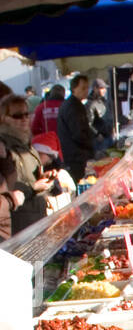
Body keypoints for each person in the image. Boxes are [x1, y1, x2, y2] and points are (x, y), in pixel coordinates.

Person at [0, 93, 57, 231]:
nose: (24, 119)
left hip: (36, 217)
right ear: (3, 118)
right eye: (17, 116)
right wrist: (33, 187)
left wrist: (44, 179)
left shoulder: (26, 144)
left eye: (26, 114)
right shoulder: (3, 148)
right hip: (19, 224)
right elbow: (8, 189)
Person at [56, 74, 94, 184]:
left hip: (74, 154)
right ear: (74, 89)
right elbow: (78, 133)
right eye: (83, 88)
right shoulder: (73, 106)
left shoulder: (73, 104)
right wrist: (91, 147)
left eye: (87, 87)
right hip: (76, 156)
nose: (86, 90)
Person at [86, 78, 115, 155]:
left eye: (104, 88)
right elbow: (88, 123)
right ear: (95, 88)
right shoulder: (90, 104)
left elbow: (109, 116)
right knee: (102, 160)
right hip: (100, 139)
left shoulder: (104, 101)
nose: (104, 90)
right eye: (102, 88)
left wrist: (112, 128)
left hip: (108, 135)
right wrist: (97, 134)